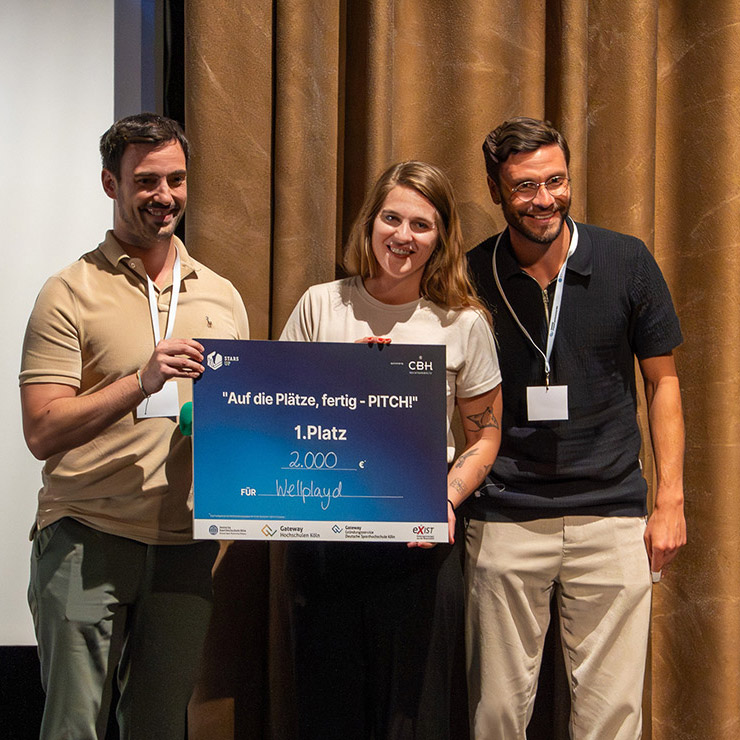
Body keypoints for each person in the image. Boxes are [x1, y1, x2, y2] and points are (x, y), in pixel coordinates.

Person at [20, 113, 249, 740]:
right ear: (110, 184)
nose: (164, 195)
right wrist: (139, 382)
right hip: (86, 534)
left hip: (184, 545)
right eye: (146, 181)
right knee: (73, 727)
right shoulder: (68, 291)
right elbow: (41, 430)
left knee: (159, 727)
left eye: (176, 179)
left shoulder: (221, 295)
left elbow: (244, 416)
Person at [464, 116, 686, 739]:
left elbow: (663, 383)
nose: (545, 199)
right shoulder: (471, 274)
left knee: (613, 717)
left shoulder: (626, 260)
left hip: (612, 512)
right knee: (496, 714)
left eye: (556, 181)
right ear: (495, 189)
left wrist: (670, 499)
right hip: (505, 512)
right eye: (525, 186)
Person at [280, 160, 502, 739]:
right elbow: (279, 416)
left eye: (421, 225)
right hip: (325, 544)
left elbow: (485, 437)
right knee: (330, 716)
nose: (403, 236)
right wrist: (350, 375)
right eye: (392, 219)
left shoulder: (463, 323)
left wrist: (444, 499)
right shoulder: (321, 305)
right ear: (370, 222)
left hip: (417, 548)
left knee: (415, 717)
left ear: (441, 238)